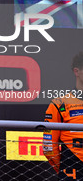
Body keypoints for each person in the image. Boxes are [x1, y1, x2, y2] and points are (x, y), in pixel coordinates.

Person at [43, 52, 83, 180]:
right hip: (72, 170)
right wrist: (64, 169)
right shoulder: (59, 104)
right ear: (77, 71)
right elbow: (49, 146)